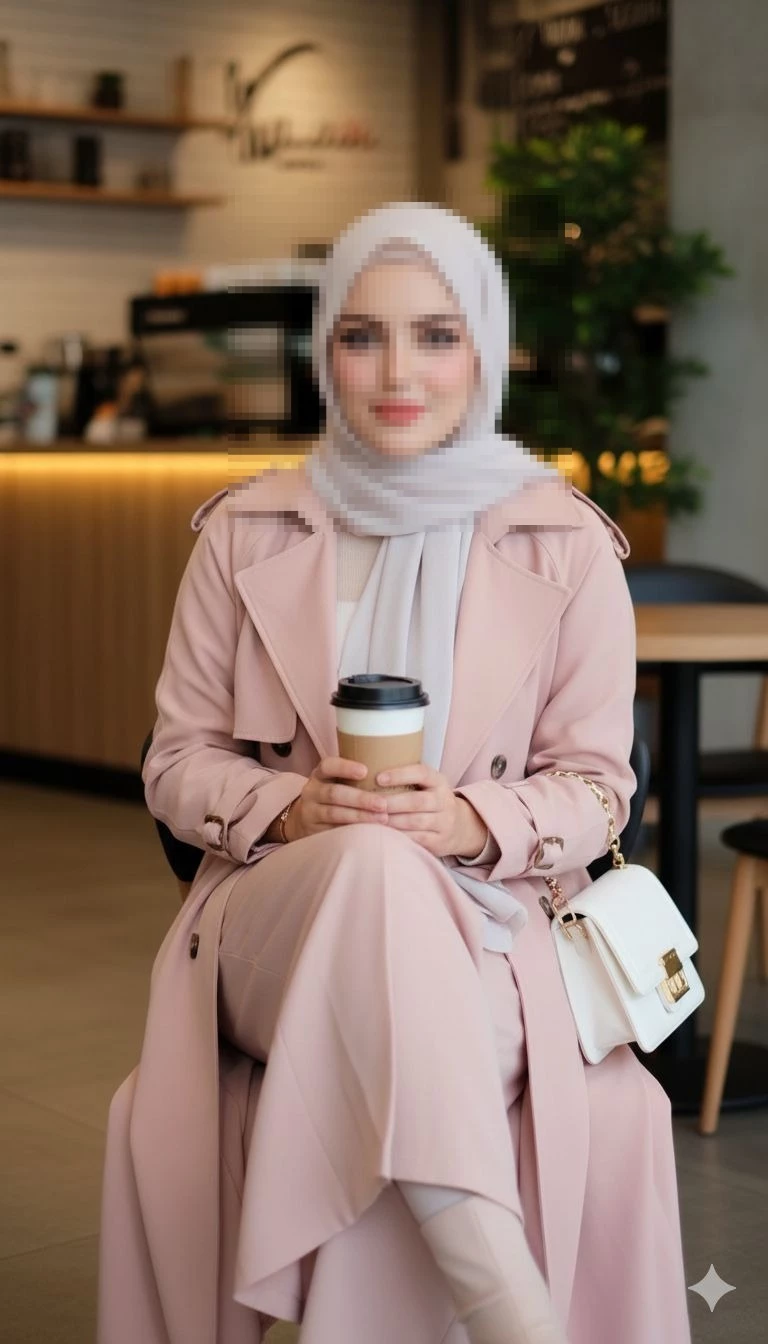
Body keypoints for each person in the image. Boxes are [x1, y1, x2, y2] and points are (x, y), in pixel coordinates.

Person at [97, 203, 692, 1344]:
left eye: (437, 334)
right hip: (274, 924)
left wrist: (471, 820)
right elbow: (175, 763)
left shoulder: (560, 545)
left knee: (391, 1022)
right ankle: (513, 1313)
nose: (398, 371)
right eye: (362, 336)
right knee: (367, 861)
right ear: (325, 352)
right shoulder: (247, 532)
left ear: (487, 350)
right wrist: (290, 805)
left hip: (496, 935)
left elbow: (599, 786)